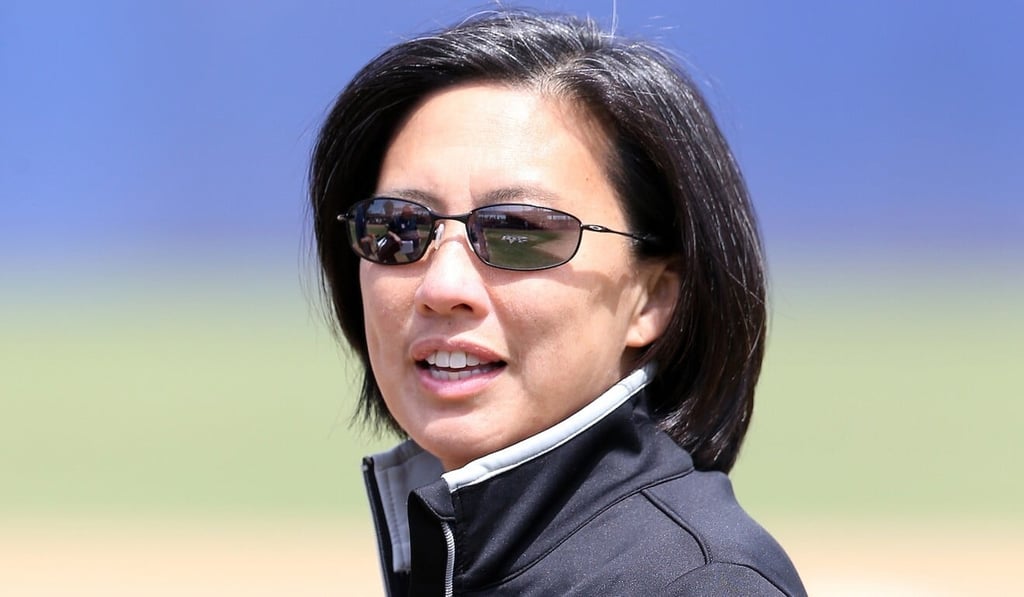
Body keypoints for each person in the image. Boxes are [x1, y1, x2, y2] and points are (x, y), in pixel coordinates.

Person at [310, 10, 806, 596]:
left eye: (519, 231)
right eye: (399, 226)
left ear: (652, 298)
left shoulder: (701, 584)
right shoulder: (458, 558)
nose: (442, 288)